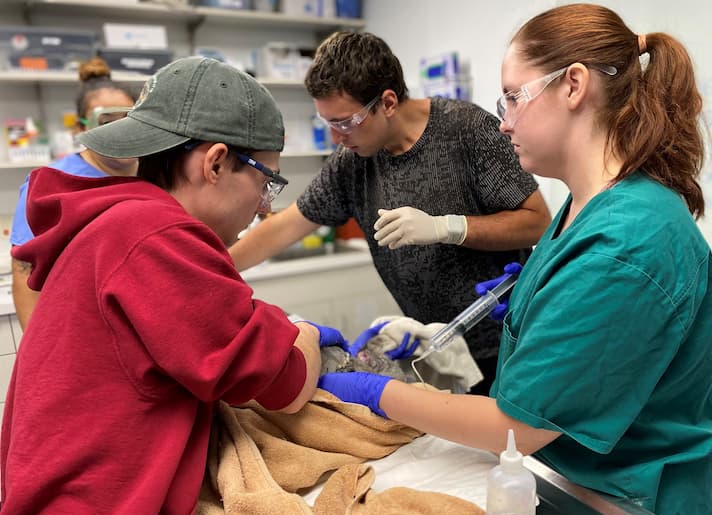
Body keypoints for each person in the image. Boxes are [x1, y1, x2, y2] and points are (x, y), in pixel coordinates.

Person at [315, 5, 712, 515]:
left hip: (627, 514)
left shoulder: (627, 242)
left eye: (511, 98)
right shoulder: (586, 209)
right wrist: (480, 320)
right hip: (569, 489)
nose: (502, 122)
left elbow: (517, 426)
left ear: (574, 86)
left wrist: (377, 393)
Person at [0, 56, 347, 515]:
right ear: (213, 163)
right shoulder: (155, 235)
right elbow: (286, 383)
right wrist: (300, 329)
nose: (263, 208)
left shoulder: (115, 221)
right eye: (267, 181)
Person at [229, 31, 552, 395]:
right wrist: (212, 267)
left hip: (508, 342)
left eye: (345, 122)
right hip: (434, 346)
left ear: (387, 102)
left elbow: (539, 222)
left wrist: (449, 227)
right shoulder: (351, 163)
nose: (337, 137)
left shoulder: (468, 131)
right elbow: (284, 228)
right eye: (328, 124)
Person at [10, 57, 138, 329]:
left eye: (130, 119)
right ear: (81, 128)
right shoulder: (48, 184)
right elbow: (24, 276)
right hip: (77, 326)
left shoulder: (156, 174)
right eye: (106, 121)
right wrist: (38, 357)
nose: (120, 131)